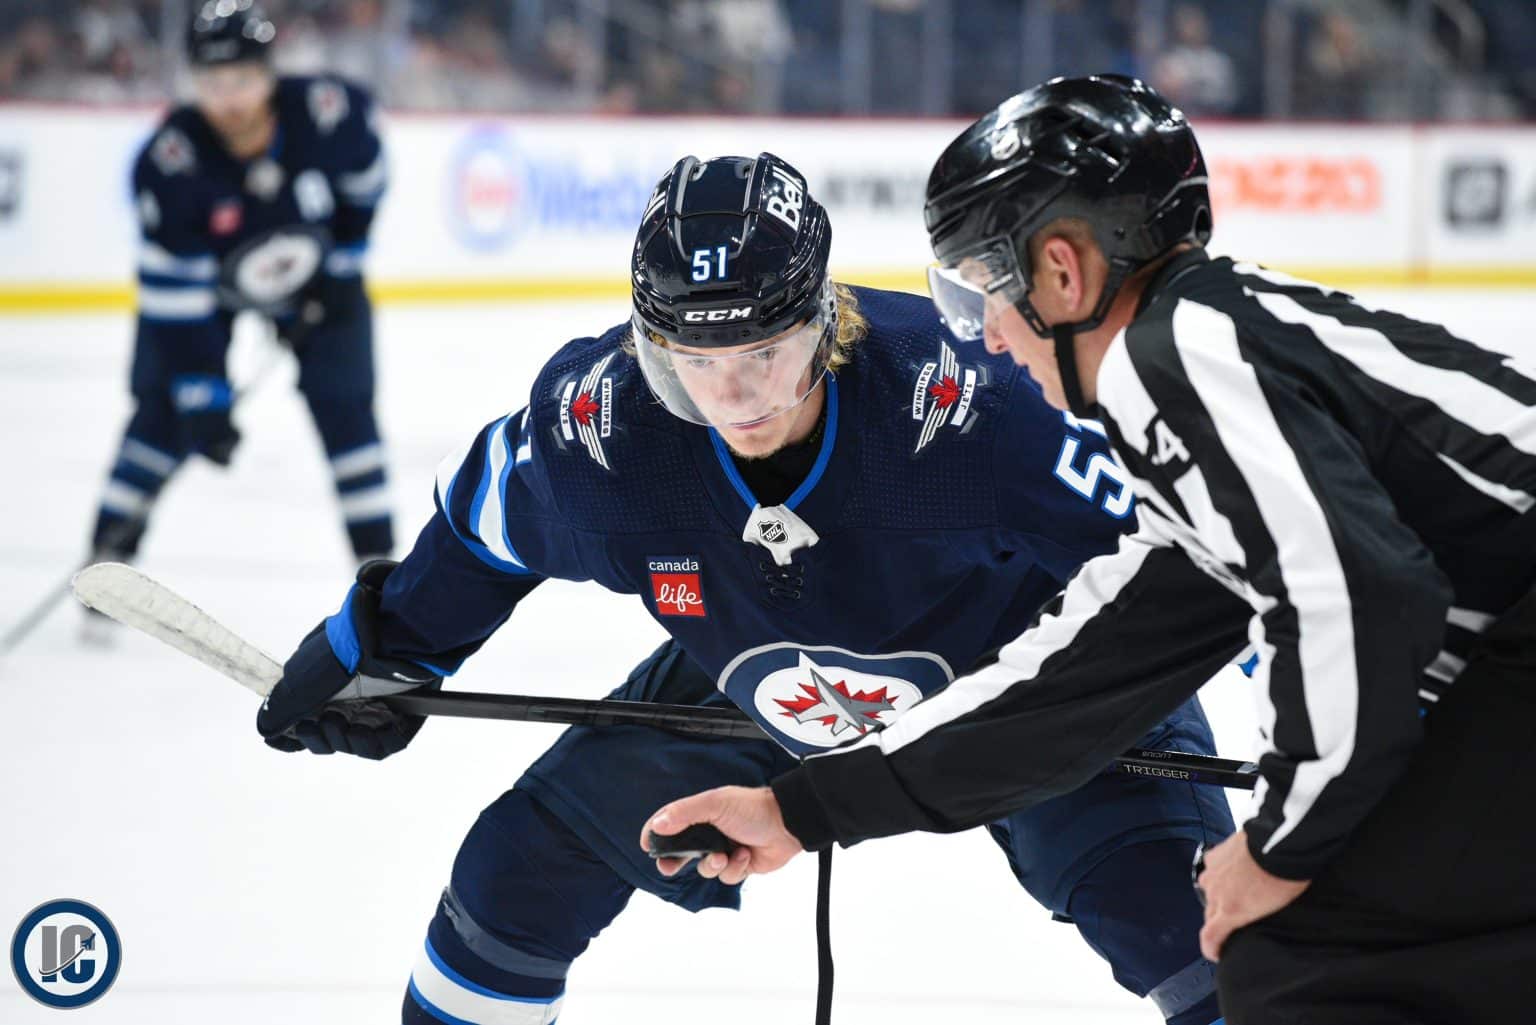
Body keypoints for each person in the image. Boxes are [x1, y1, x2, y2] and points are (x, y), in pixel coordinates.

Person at [256, 151, 1236, 1025]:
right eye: (695, 361)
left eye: (765, 352)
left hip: (1028, 677)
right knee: (514, 876)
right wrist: (383, 646)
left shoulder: (971, 400)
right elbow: (483, 523)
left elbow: (1213, 556)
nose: (736, 397)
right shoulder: (605, 434)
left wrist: (1316, 713)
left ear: (825, 316)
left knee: (1201, 932)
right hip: (762, 669)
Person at [646, 75, 1536, 1024]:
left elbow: (1358, 600)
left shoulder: (1177, 354)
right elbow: (1078, 676)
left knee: (1298, 956)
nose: (987, 336)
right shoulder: (1216, 352)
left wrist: (1282, 847)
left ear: (1063, 272)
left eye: (984, 290)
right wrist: (801, 808)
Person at [86, 0, 393, 595]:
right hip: (206, 297)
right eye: (212, 83)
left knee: (346, 404)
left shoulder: (327, 113)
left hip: (317, 278)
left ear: (269, 73)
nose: (229, 100)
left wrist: (343, 263)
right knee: (162, 414)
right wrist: (202, 391)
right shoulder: (170, 162)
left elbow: (367, 180)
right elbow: (174, 297)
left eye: (243, 81)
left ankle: (381, 571)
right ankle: (105, 564)